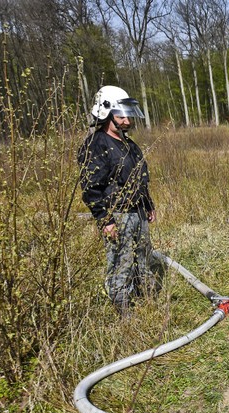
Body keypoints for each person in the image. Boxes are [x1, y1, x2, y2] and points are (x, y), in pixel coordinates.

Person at [78, 85, 157, 314]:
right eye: (121, 115)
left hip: (138, 212)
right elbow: (91, 188)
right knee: (120, 261)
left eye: (127, 115)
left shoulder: (129, 144)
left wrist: (148, 204)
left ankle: (145, 295)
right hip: (118, 215)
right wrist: (105, 219)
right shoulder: (96, 145)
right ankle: (122, 306)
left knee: (143, 254)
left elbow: (139, 177)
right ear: (106, 113)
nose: (126, 120)